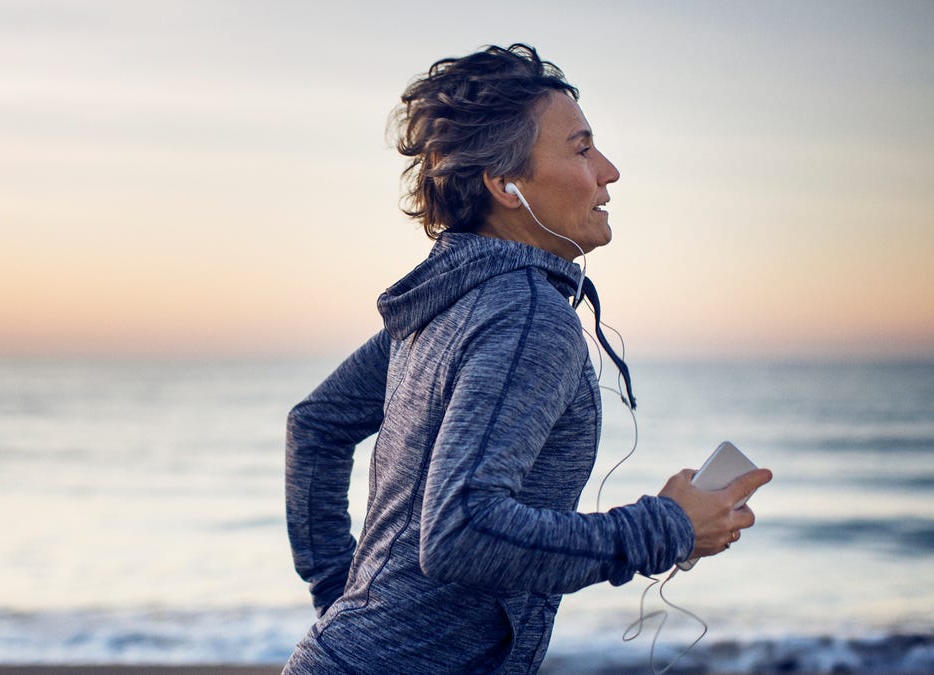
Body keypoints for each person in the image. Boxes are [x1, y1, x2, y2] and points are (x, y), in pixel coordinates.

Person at [282, 43, 772, 674]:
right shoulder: (526, 317)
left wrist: (344, 607)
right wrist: (666, 528)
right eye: (581, 148)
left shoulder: (451, 301)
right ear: (505, 184)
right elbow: (463, 530)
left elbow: (315, 426)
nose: (610, 171)